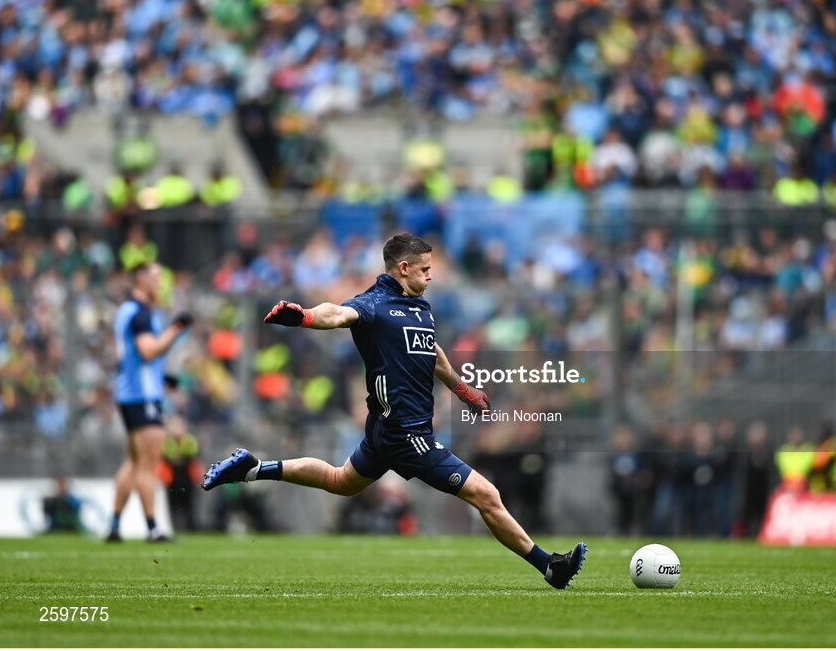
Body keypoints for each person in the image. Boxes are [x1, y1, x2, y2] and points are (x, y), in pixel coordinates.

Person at [202, 234, 587, 589]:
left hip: (386, 432)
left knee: (340, 481)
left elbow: (431, 354)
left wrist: (463, 388)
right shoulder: (373, 304)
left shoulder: (420, 308)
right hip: (408, 436)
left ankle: (255, 468)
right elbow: (336, 314)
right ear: (403, 268)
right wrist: (303, 316)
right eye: (425, 269)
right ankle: (550, 567)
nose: (430, 276)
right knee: (486, 494)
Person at [108, 262, 192, 542]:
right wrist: (176, 328)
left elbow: (134, 358)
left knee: (133, 463)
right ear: (141, 280)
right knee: (148, 464)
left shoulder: (127, 311)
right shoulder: (141, 313)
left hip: (129, 394)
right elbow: (147, 351)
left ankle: (115, 525)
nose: (160, 283)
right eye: (156, 278)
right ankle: (153, 528)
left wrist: (162, 378)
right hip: (143, 397)